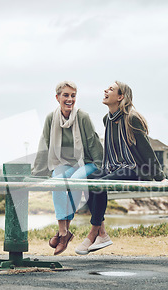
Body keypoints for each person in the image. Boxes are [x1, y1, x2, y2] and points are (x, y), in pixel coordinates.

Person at [75, 81, 167, 255]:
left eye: (111, 89)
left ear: (120, 97)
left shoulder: (132, 118)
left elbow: (146, 149)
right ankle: (102, 233)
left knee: (98, 185)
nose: (105, 90)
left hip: (137, 169)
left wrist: (160, 177)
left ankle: (94, 233)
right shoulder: (107, 120)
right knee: (91, 179)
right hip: (116, 167)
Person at [32, 81, 103, 255]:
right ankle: (63, 231)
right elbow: (45, 144)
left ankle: (62, 233)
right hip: (62, 163)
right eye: (66, 95)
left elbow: (94, 142)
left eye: (73, 95)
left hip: (86, 162)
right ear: (57, 97)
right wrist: (37, 172)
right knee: (57, 181)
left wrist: (101, 166)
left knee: (75, 180)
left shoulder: (82, 117)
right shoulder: (51, 118)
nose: (70, 99)